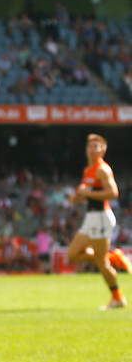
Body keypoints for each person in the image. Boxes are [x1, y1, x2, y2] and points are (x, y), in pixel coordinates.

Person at [67, 133, 131, 310]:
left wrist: (87, 193)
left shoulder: (103, 169)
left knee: (102, 263)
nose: (92, 149)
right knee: (73, 255)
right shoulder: (88, 170)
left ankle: (118, 298)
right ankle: (115, 257)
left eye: (97, 146)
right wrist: (77, 199)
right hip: (91, 217)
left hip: (101, 217)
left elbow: (113, 193)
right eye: (90, 146)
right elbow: (91, 197)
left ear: (103, 150)